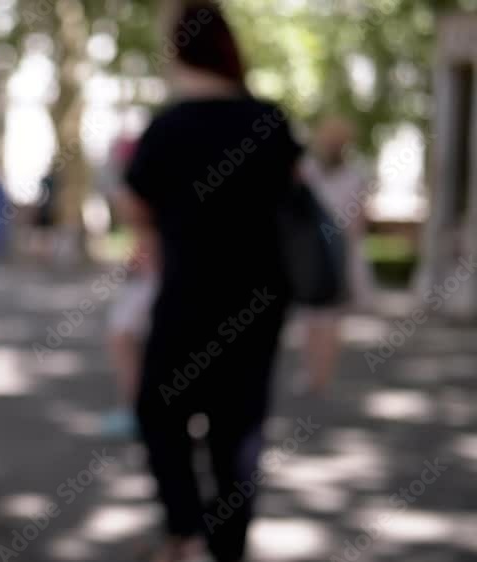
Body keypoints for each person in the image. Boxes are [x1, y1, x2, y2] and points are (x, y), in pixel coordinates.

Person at [122, 4, 299, 561]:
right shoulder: (268, 121)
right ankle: (226, 549)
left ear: (179, 49)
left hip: (188, 295)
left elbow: (134, 203)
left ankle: (185, 531)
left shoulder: (169, 127)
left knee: (160, 412)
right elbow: (296, 196)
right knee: (238, 432)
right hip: (260, 299)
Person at [297, 116, 375, 394]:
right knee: (325, 319)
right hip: (333, 254)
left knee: (316, 319)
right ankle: (320, 375)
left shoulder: (309, 171)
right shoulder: (351, 175)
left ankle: (315, 374)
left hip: (320, 254)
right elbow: (359, 222)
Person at [100, 135, 161, 438]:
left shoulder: (134, 191)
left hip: (153, 278)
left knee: (123, 337)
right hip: (157, 275)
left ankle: (137, 410)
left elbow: (146, 235)